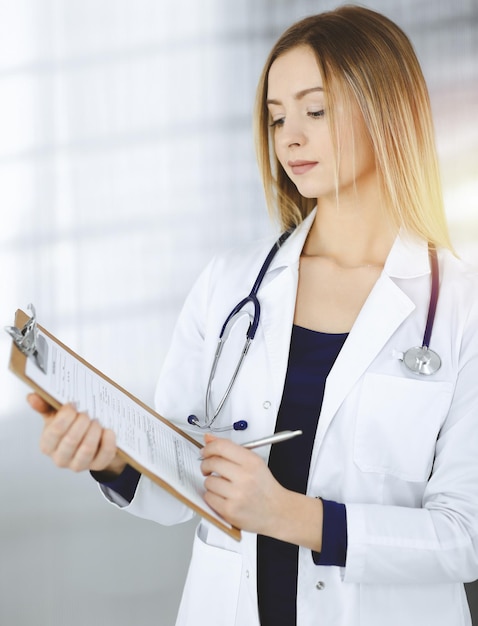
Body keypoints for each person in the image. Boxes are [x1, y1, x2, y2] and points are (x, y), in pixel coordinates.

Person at [28, 5, 478, 626]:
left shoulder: (460, 308)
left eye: (314, 111)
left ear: (388, 110)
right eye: (276, 118)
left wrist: (287, 514)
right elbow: (183, 487)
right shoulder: (230, 287)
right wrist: (108, 456)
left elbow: (464, 536)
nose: (290, 136)